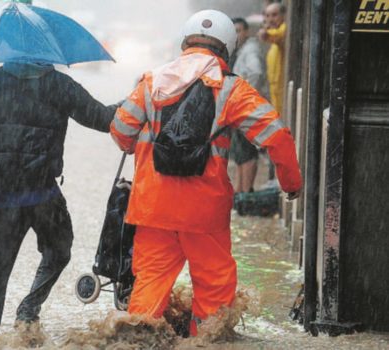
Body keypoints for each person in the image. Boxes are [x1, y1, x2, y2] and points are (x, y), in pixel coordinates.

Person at [109, 10, 302, 336]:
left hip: (152, 209)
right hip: (204, 213)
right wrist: (291, 184)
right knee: (214, 298)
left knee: (147, 296)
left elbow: (120, 130)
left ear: (185, 41)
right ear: (227, 46)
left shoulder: (152, 80)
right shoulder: (231, 90)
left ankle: (137, 339)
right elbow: (277, 137)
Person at [0, 61, 117, 334]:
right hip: (42, 195)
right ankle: (29, 308)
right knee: (59, 250)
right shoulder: (61, 85)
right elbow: (103, 119)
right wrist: (131, 104)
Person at [230, 17, 269, 194]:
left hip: (246, 107)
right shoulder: (242, 50)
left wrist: (245, 97)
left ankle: (246, 192)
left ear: (246, 31)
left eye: (239, 31)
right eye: (233, 32)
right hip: (240, 107)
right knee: (239, 150)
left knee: (246, 150)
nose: (236, 35)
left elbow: (256, 72)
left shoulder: (250, 50)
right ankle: (240, 190)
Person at [259, 2, 287, 114]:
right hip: (275, 90)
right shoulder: (273, 43)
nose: (270, 19)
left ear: (283, 16)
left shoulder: (284, 30)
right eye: (267, 16)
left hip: (282, 91)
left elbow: (274, 34)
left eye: (274, 15)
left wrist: (265, 32)